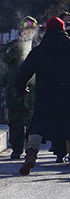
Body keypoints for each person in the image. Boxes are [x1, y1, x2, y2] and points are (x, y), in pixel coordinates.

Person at [17, 17, 70, 175]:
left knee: (38, 124)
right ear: (64, 29)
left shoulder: (39, 51)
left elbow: (24, 71)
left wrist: (21, 87)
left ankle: (31, 154)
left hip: (46, 95)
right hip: (69, 95)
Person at [3, 17, 37, 159]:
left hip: (33, 93)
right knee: (15, 123)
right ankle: (17, 149)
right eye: (25, 29)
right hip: (15, 91)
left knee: (32, 124)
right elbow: (4, 58)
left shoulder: (37, 46)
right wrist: (17, 44)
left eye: (31, 29)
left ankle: (31, 150)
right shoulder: (14, 45)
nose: (28, 32)